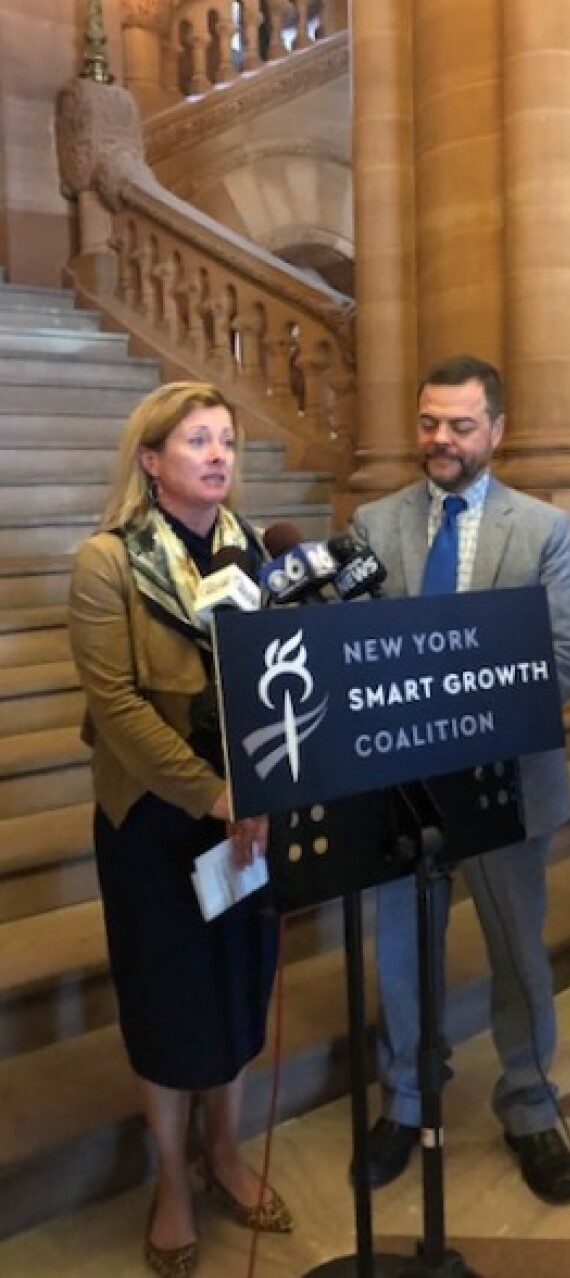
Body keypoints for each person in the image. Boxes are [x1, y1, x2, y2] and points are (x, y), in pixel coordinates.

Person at [68, 382, 291, 1278]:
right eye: (196, 439)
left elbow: (285, 684)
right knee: (168, 1002)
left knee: (240, 988)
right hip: (155, 822)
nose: (218, 454)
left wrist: (264, 793)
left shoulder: (258, 556)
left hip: (248, 818)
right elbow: (116, 706)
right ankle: (171, 1179)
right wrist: (211, 796)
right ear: (151, 460)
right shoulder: (107, 562)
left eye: (228, 439)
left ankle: (227, 1152)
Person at [351, 354, 570, 1205]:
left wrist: (450, 709)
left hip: (506, 786)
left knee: (518, 953)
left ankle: (528, 1104)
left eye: (458, 425)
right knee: (403, 955)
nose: (439, 440)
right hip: (403, 789)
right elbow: (359, 656)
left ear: (497, 431)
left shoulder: (544, 531)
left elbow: (560, 666)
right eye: (427, 423)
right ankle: (407, 1101)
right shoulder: (375, 526)